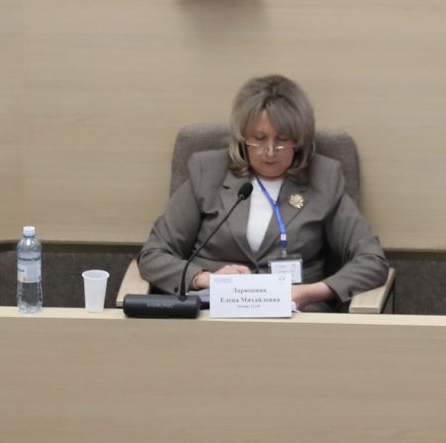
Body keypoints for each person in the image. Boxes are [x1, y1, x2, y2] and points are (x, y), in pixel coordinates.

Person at [138, 74, 389, 311]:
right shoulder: (208, 172)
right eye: (259, 139)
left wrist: (311, 292)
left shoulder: (323, 178)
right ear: (243, 138)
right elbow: (153, 255)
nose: (269, 151)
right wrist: (206, 279)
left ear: (298, 140)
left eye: (281, 140)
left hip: (295, 316)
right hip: (213, 312)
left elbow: (371, 260)